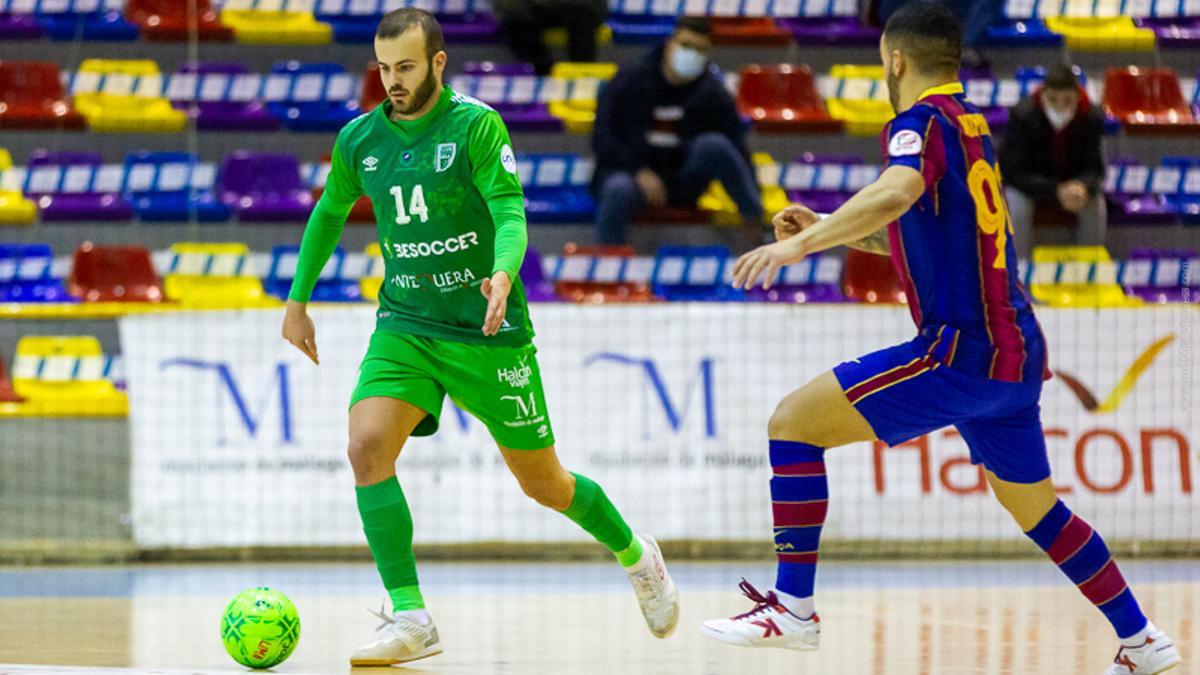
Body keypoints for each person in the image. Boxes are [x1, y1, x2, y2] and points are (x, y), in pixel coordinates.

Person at [701, 5, 1181, 675]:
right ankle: (1143, 639)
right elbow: (923, 232)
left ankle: (793, 606)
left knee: (792, 425)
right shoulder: (972, 126)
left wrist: (803, 245)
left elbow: (896, 191)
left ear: (895, 60)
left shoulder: (919, 124)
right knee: (1040, 511)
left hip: (961, 352)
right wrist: (829, 229)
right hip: (1016, 353)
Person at [281, 8, 678, 666]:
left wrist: (501, 271)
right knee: (366, 444)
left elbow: (508, 209)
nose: (393, 82)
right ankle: (411, 616)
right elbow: (328, 211)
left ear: (438, 62)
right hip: (406, 323)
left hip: (488, 332)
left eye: (405, 67)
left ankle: (638, 554)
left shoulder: (474, 125)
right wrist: (298, 300)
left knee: (545, 483)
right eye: (384, 69)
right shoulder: (361, 140)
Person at [591, 16, 763, 245]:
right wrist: (638, 170)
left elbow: (737, 147)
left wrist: (754, 203)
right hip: (631, 175)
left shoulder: (713, 92)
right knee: (618, 189)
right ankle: (608, 266)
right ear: (669, 44)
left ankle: (755, 229)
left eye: (700, 50)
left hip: (682, 180)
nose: (691, 54)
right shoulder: (629, 79)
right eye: (686, 45)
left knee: (714, 145)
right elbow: (603, 136)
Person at [1000, 63, 1108, 260]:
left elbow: (1096, 169)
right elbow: (1012, 173)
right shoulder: (1022, 115)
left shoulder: (1091, 117)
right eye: (1053, 99)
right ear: (1043, 96)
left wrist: (1082, 186)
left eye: (1067, 100)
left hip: (1073, 187)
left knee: (1096, 205)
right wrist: (1055, 190)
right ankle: (1018, 272)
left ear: (1077, 97)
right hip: (1031, 187)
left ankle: (1088, 271)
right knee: (1016, 205)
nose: (1059, 106)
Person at [495, 0, 607, 75]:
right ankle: (542, 76)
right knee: (515, 20)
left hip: (579, 5)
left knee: (582, 16)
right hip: (532, 6)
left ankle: (582, 77)